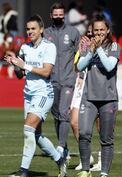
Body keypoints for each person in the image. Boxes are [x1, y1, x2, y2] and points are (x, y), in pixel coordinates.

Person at [5, 14, 67, 177]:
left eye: (33, 28)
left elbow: (46, 71)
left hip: (43, 94)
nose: (30, 31)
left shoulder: (49, 47)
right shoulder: (25, 48)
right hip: (29, 94)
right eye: (28, 29)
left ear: (41, 30)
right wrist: (14, 63)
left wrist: (24, 65)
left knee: (28, 129)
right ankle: (60, 159)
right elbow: (20, 74)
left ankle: (23, 170)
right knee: (36, 134)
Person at [75, 15, 120, 177]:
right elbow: (79, 67)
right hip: (89, 97)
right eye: (96, 30)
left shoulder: (114, 46)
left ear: (108, 30)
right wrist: (90, 50)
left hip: (108, 98)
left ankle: (104, 173)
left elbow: (109, 66)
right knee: (84, 133)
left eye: (102, 29)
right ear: (92, 31)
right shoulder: (88, 46)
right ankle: (85, 171)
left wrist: (99, 49)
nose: (99, 32)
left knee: (106, 138)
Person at [44, 2, 80, 161]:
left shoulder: (73, 32)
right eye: (55, 14)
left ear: (64, 15)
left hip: (68, 79)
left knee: (64, 113)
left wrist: (80, 75)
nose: (58, 17)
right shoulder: (45, 33)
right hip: (50, 81)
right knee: (57, 115)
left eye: (61, 14)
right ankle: (64, 148)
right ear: (51, 16)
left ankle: (60, 145)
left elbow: (81, 55)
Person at [70, 23, 101, 171]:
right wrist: (82, 51)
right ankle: (86, 157)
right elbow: (76, 67)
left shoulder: (106, 47)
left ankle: (102, 159)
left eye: (92, 33)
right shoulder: (82, 46)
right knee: (74, 122)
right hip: (81, 87)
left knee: (101, 126)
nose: (90, 36)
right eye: (88, 34)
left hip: (98, 87)